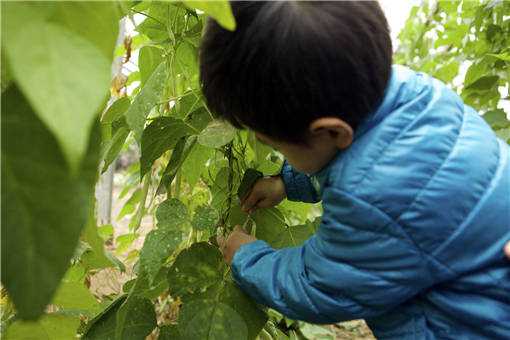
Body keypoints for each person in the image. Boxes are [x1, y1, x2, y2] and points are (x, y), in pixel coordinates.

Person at [201, 2, 510, 339]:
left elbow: (318, 287)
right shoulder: (413, 93)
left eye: (274, 145)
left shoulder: (376, 200)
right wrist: (286, 184)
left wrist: (247, 257)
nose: (277, 152)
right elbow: (362, 154)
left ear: (332, 131)